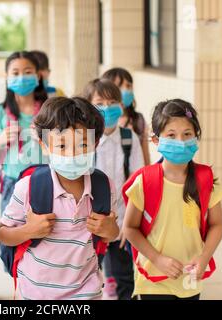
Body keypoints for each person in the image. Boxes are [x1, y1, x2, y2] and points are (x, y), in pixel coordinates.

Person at [0, 97, 120, 300]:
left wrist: (110, 230)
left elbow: (110, 234)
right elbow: (2, 234)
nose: (72, 154)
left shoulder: (105, 187)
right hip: (35, 292)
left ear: (96, 143)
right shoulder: (28, 187)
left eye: (82, 145)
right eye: (62, 146)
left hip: (86, 291)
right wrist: (29, 230)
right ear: (44, 145)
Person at [123, 99, 222, 300]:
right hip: (153, 279)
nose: (180, 141)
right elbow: (130, 229)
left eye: (187, 134)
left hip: (190, 278)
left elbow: (217, 225)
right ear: (156, 140)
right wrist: (158, 259)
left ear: (196, 137)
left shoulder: (206, 180)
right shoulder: (145, 181)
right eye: (171, 135)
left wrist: (204, 258)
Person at [83, 79, 144, 300]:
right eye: (100, 102)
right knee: (88, 278)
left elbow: (139, 185)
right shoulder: (84, 140)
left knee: (125, 278)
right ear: (88, 106)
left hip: (122, 223)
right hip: (89, 224)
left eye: (112, 102)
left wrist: (129, 225)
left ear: (121, 105)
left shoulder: (130, 138)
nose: (107, 108)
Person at [0, 51, 48, 214]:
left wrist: (48, 138)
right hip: (12, 183)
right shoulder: (0, 111)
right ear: (7, 77)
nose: (21, 77)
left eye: (28, 72)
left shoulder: (50, 110)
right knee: (11, 235)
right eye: (15, 73)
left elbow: (67, 142)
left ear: (38, 75)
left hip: (47, 181)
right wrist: (0, 140)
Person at [102, 68, 150, 165]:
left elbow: (145, 156)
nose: (126, 90)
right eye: (119, 86)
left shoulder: (138, 120)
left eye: (128, 86)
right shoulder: (101, 120)